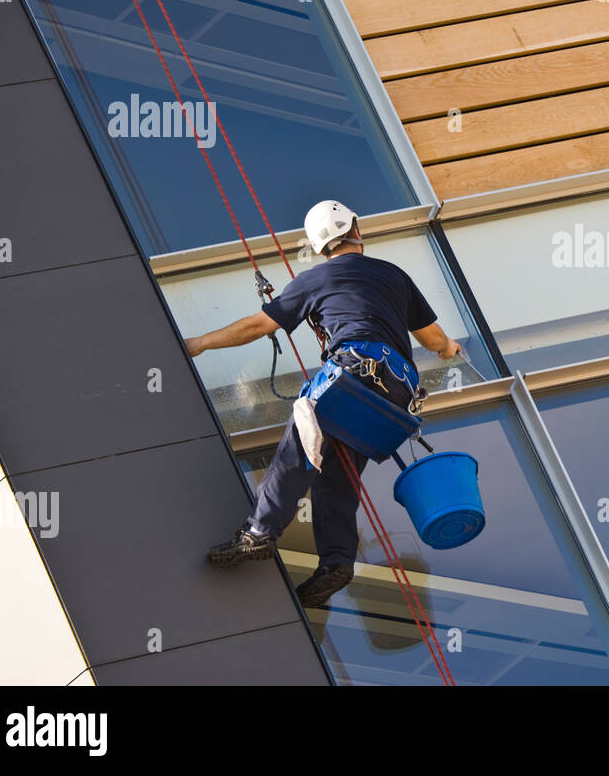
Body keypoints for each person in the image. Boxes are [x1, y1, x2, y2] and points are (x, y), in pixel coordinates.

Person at [187, 200, 461, 607]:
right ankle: (336, 561)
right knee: (339, 473)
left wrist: (200, 344)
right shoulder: (394, 275)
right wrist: (449, 349)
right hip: (395, 392)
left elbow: (258, 325)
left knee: (297, 452)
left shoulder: (314, 280)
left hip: (353, 375)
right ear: (356, 229)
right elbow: (434, 339)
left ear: (320, 247)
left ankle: (259, 534)